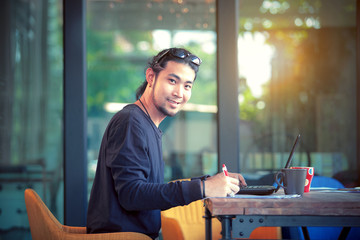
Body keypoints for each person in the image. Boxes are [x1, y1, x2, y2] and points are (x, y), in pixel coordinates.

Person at [86, 47, 247, 239]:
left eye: (187, 86)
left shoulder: (147, 126)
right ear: (151, 77)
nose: (180, 92)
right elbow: (131, 195)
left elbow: (146, 190)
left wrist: (211, 182)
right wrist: (203, 189)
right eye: (172, 81)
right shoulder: (130, 122)